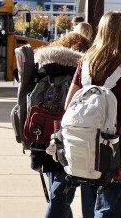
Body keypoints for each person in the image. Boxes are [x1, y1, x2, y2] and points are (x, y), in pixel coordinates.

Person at [64, 11, 121, 217]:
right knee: (111, 207)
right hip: (117, 144)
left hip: (85, 143)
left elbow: (69, 105)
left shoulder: (86, 63)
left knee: (89, 204)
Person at [33, 31, 92, 218]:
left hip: (42, 138)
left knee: (57, 195)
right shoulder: (82, 70)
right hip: (68, 141)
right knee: (60, 197)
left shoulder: (44, 67)